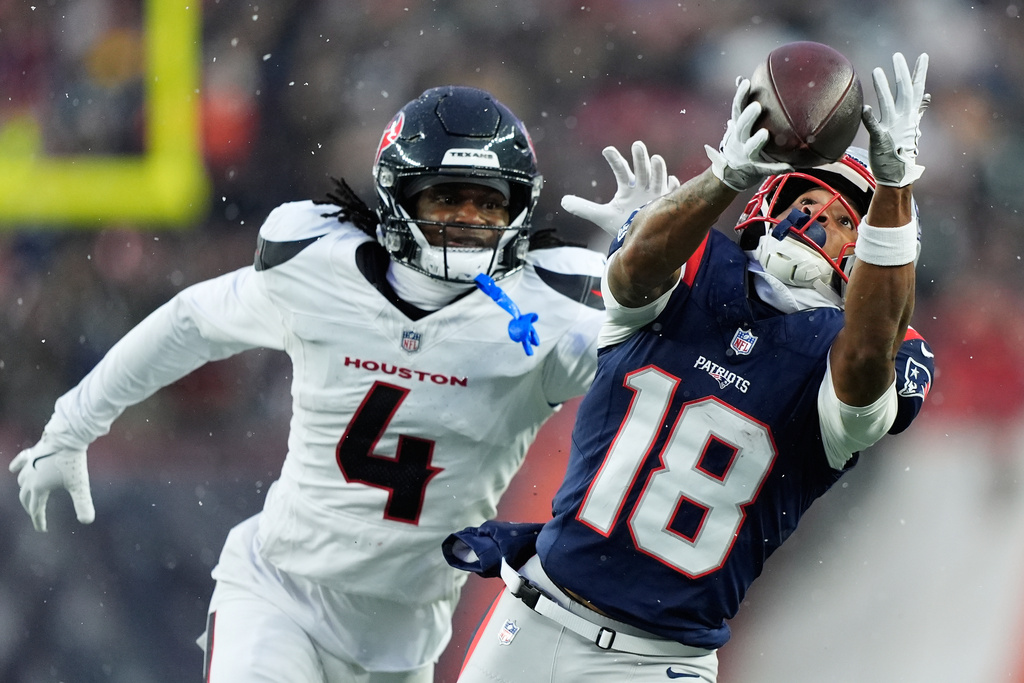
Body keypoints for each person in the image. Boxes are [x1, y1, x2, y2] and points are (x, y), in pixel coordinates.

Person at [8, 85, 678, 683]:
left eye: (487, 202)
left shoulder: (548, 315)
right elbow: (190, 322)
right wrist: (71, 427)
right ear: (399, 194)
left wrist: (662, 268)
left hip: (405, 638)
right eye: (447, 195)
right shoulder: (322, 270)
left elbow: (671, 372)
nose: (467, 219)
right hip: (279, 594)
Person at [443, 52, 934, 683]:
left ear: (868, 253)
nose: (821, 224)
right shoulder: (697, 271)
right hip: (531, 621)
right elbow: (632, 273)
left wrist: (896, 186)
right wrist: (724, 174)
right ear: (772, 200)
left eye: (847, 222)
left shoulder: (847, 355)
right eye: (810, 201)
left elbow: (868, 357)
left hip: (661, 663)